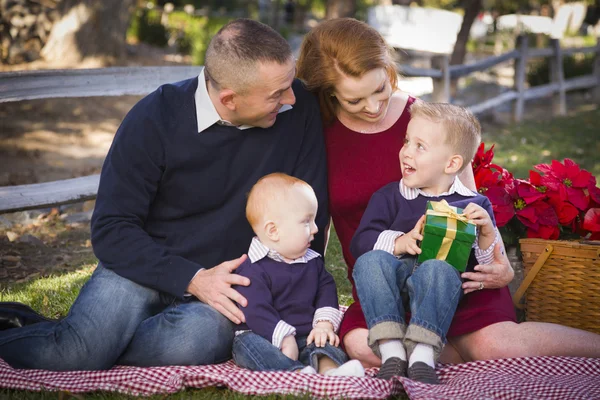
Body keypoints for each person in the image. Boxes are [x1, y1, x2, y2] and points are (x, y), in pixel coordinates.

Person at [0, 19, 329, 370]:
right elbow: (111, 228)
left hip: (225, 287)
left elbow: (309, 216)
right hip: (143, 267)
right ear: (229, 99)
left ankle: (92, 341)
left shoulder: (299, 111)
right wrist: (192, 279)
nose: (291, 97)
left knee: (200, 340)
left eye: (289, 83)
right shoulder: (154, 118)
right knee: (78, 353)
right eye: (277, 94)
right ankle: (76, 341)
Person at [295, 17, 600, 369]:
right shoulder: (318, 133)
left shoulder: (426, 120)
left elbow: (469, 203)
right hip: (384, 284)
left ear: (387, 67)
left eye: (380, 89)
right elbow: (312, 221)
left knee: (494, 346)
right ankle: (447, 352)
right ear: (329, 93)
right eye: (354, 99)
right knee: (362, 346)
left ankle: (460, 350)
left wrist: (501, 267)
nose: (373, 106)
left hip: (454, 273)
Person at [350, 101, 499, 384]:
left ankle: (422, 354)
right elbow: (360, 243)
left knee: (440, 269)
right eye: (407, 141)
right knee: (369, 261)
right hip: (392, 289)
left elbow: (487, 270)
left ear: (452, 163)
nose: (406, 151)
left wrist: (487, 236)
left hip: (437, 295)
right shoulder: (389, 196)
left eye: (420, 146)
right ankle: (392, 349)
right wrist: (401, 242)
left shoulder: (474, 205)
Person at [231, 173, 364, 377]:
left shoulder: (312, 262)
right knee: (249, 346)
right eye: (306, 222)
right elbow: (257, 311)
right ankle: (296, 373)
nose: (316, 229)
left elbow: (326, 290)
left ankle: (331, 370)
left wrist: (323, 324)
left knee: (324, 343)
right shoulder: (252, 269)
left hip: (306, 332)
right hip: (265, 334)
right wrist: (284, 338)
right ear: (273, 231)